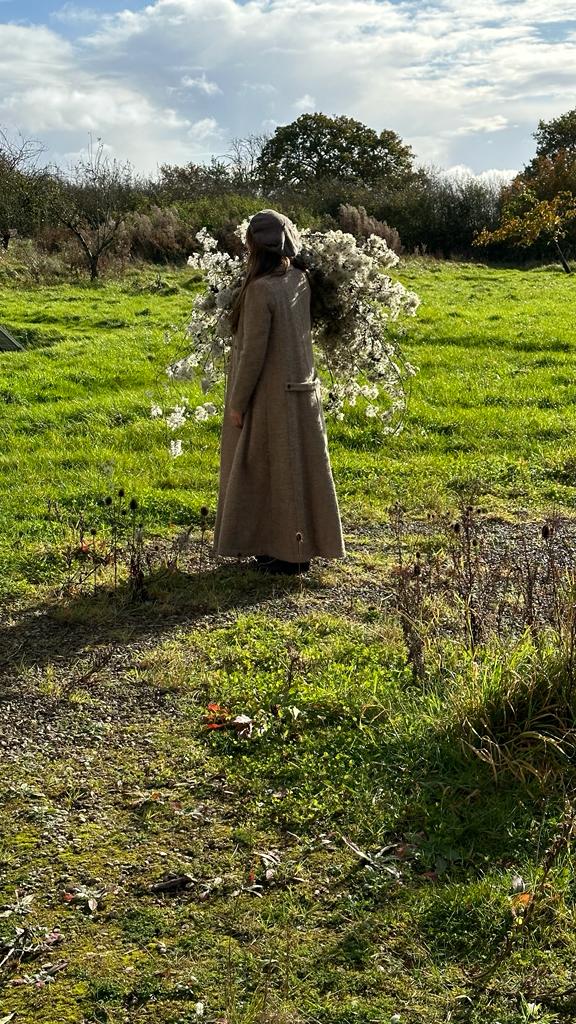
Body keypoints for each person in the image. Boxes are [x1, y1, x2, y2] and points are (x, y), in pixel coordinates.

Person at [213, 209, 345, 575]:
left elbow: (253, 353)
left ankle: (283, 553)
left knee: (268, 473)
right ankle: (295, 547)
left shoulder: (260, 290)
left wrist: (237, 404)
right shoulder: (300, 280)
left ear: (255, 246)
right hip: (304, 389)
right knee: (300, 470)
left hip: (271, 396)